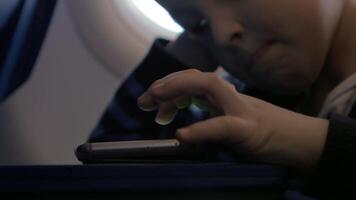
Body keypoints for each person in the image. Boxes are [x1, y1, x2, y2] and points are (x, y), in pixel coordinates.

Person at [90, 0, 356, 198]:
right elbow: (107, 175)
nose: (220, 34)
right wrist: (183, 54)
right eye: (199, 25)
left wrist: (310, 143)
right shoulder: (244, 105)